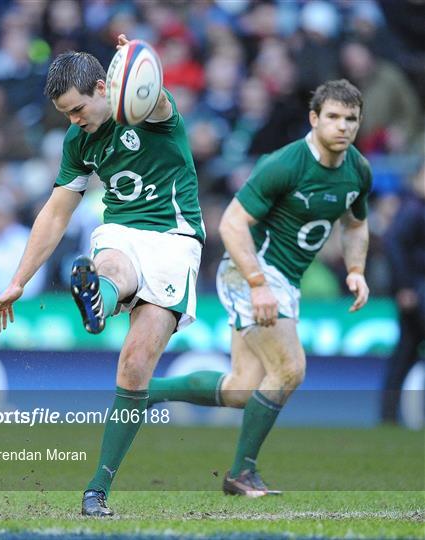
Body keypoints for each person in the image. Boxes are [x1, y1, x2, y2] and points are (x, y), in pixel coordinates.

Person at [0, 34, 205, 517]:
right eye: (66, 114)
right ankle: (98, 299)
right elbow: (56, 212)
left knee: (135, 365)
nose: (74, 120)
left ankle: (98, 483)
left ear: (106, 87)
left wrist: (138, 63)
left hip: (174, 239)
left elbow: (155, 92)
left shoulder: (153, 116)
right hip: (123, 231)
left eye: (78, 108)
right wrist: (19, 280)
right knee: (109, 265)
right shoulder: (78, 140)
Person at [149, 79, 372, 497]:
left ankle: (144, 390)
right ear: (314, 119)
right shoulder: (285, 164)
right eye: (334, 117)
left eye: (351, 119)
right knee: (290, 368)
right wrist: (257, 285)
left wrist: (356, 269)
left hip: (283, 280)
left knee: (241, 389)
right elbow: (231, 223)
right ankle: (241, 474)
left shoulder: (358, 169)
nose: (343, 126)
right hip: (249, 271)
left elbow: (356, 225)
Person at [381, 162, 425, 423]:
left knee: (405, 354)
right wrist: (405, 287)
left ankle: (388, 415)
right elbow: (395, 248)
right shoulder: (412, 209)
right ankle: (387, 414)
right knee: (405, 353)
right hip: (417, 294)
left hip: (417, 291)